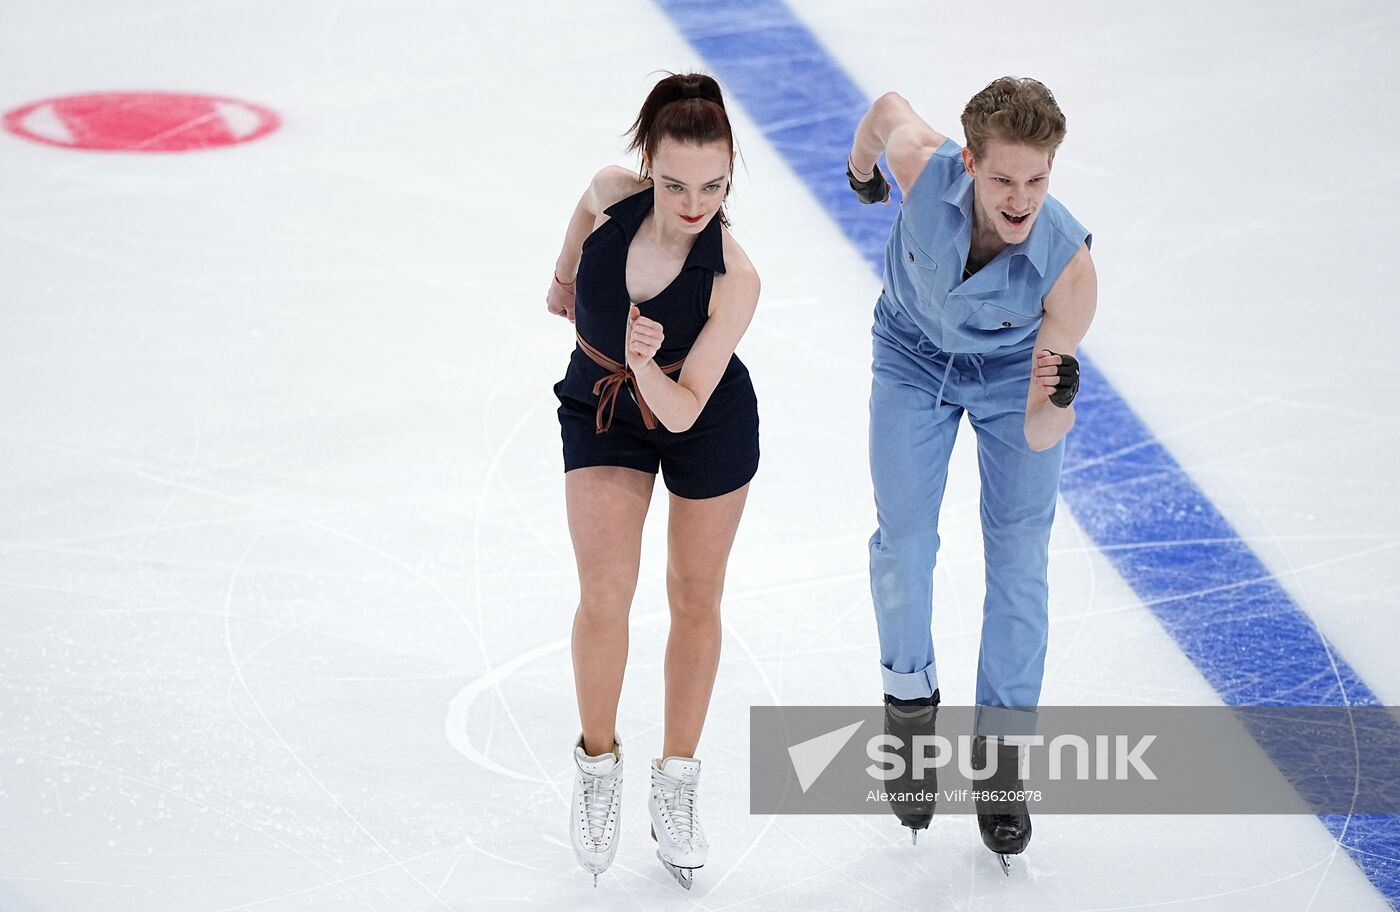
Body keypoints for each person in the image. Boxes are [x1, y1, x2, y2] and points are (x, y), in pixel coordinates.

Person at [845, 77, 1097, 873]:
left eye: (1037, 179)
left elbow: (1037, 430)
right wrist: (862, 174)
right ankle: (909, 712)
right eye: (1003, 178)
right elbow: (886, 110)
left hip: (1011, 380)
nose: (1020, 199)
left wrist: (1058, 402)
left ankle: (1002, 760)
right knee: (905, 541)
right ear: (969, 163)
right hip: (910, 360)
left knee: (1020, 551)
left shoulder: (1068, 272)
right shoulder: (922, 167)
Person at [546, 72, 761, 890]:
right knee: (605, 590)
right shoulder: (610, 196)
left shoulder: (733, 279)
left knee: (693, 596)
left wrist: (644, 362)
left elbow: (682, 409)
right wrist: (566, 276)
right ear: (647, 163)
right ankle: (598, 770)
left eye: (712, 185)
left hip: (696, 416)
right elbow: (579, 228)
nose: (693, 201)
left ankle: (676, 784)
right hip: (602, 409)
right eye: (674, 183)